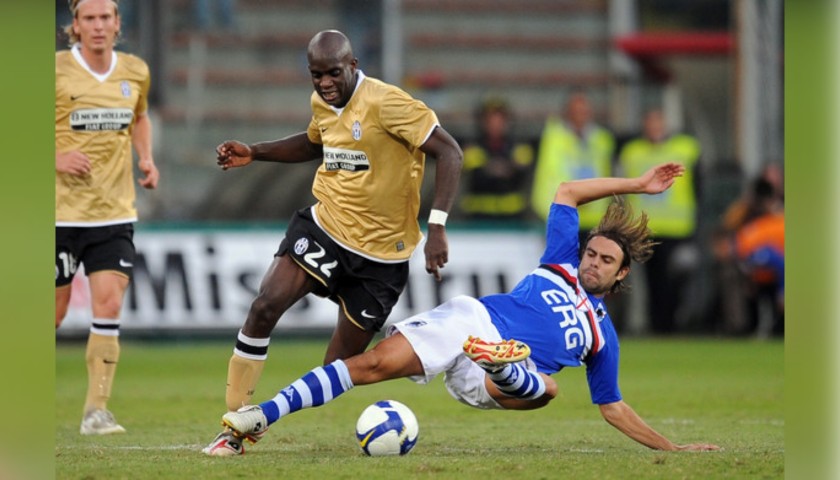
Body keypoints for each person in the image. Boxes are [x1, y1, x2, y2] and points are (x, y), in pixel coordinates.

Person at [212, 163, 720, 454]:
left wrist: (671, 449)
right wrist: (637, 185)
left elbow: (612, 407)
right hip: (471, 322)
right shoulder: (561, 262)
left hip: (491, 385)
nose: (593, 262)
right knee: (365, 366)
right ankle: (257, 417)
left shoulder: (601, 335)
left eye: (605, 260)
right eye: (591, 252)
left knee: (548, 388)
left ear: (621, 274)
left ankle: (504, 363)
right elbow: (567, 192)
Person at [202, 29, 463, 456]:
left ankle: (268, 414)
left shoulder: (388, 103)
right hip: (326, 227)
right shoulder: (322, 102)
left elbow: (450, 152)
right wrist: (256, 151)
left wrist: (436, 226)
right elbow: (313, 143)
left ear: (354, 66)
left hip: (382, 257)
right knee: (265, 305)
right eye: (315, 74)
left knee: (335, 371)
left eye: (333, 73)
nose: (324, 83)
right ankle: (233, 425)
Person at [55, 0, 160, 435]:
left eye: (105, 18)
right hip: (58, 215)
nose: (98, 26)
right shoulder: (54, 71)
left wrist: (147, 158)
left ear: (117, 24)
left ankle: (96, 411)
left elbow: (139, 116)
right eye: (89, 18)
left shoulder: (135, 70)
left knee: (109, 304)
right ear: (75, 26)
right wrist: (55, 156)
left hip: (114, 213)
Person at [618, 108, 701, 334]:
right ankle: (658, 327)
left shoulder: (684, 148)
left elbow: (698, 185)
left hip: (677, 229)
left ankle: (674, 322)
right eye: (650, 122)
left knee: (676, 279)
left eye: (658, 122)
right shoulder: (632, 151)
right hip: (645, 229)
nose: (654, 128)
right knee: (653, 282)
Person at [531, 90, 615, 234]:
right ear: (567, 113)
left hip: (595, 219)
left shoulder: (602, 139)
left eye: (583, 111)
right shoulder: (554, 137)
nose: (579, 115)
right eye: (575, 111)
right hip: (561, 217)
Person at [458, 96, 535, 221]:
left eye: (500, 120)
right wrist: (506, 167)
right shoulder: (471, 147)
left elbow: (520, 173)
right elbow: (477, 174)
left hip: (513, 218)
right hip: (477, 218)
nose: (495, 125)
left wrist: (490, 167)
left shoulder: (520, 147)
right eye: (490, 120)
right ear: (482, 122)